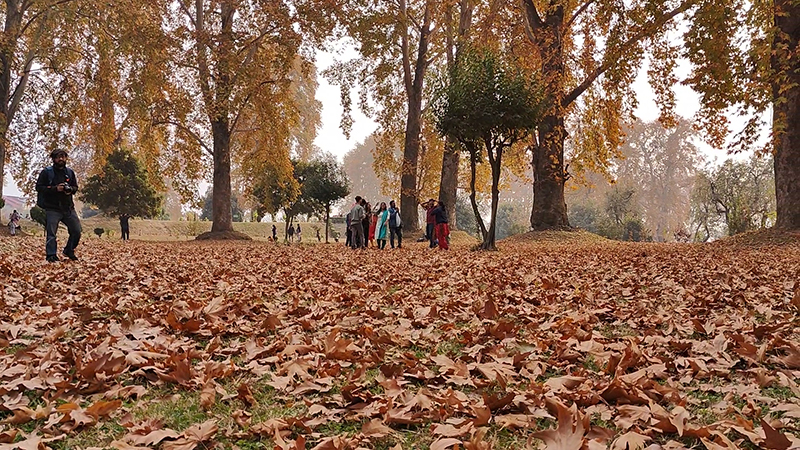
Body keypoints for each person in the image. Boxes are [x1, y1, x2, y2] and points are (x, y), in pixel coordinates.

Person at [35, 149, 82, 262]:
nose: (61, 159)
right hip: (52, 208)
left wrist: (70, 189)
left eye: (63, 157)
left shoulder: (70, 173)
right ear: (53, 159)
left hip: (68, 208)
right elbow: (39, 187)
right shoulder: (47, 172)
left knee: (77, 230)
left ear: (66, 158)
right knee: (51, 233)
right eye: (58, 157)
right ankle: (51, 255)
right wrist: (55, 188)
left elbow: (75, 187)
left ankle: (69, 250)